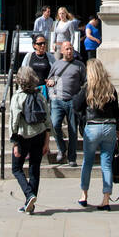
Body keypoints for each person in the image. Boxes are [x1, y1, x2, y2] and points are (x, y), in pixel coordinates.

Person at [73, 59, 119, 210]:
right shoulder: (110, 88)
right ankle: (106, 199)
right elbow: (116, 111)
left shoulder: (88, 88)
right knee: (106, 163)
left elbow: (76, 105)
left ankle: (84, 195)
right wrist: (118, 129)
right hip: (109, 126)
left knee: (87, 162)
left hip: (93, 126)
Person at [9, 67, 50, 214]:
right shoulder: (40, 96)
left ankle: (29, 194)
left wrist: (14, 142)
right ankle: (30, 203)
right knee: (34, 168)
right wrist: (47, 140)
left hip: (23, 136)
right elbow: (47, 119)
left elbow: (14, 122)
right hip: (39, 134)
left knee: (16, 168)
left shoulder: (18, 97)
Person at [47, 40, 86, 167]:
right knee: (54, 125)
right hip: (57, 100)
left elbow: (84, 83)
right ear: (62, 51)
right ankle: (61, 148)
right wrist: (50, 84)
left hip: (72, 101)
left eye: (71, 48)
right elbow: (50, 79)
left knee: (73, 131)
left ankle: (72, 157)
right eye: (67, 49)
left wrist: (80, 98)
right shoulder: (56, 65)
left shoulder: (79, 65)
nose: (69, 51)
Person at [21, 34, 52, 100]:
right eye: (40, 44)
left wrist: (52, 80)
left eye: (44, 43)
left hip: (45, 91)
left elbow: (56, 72)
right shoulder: (29, 56)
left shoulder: (50, 57)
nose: (43, 45)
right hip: (31, 90)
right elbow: (23, 72)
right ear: (34, 45)